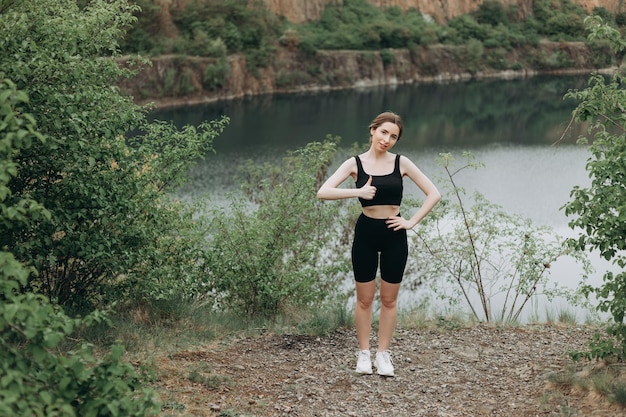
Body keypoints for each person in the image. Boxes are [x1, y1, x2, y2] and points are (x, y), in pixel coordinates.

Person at [316, 111, 441, 377]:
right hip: (366, 232)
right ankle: (364, 354)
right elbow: (323, 192)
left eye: (393, 136)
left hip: (394, 232)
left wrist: (411, 222)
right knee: (364, 299)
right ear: (372, 130)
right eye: (383, 132)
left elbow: (434, 194)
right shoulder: (355, 164)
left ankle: (383, 354)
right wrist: (357, 191)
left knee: (389, 299)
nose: (387, 139)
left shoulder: (401, 163)